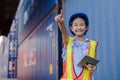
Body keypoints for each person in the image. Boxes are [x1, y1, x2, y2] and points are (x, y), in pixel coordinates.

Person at [55, 10, 98, 80]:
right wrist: (61, 23)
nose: (79, 28)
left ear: (86, 27)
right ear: (71, 28)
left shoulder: (92, 44)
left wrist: (94, 67)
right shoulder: (68, 42)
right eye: (75, 25)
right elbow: (64, 32)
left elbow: (93, 64)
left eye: (82, 25)